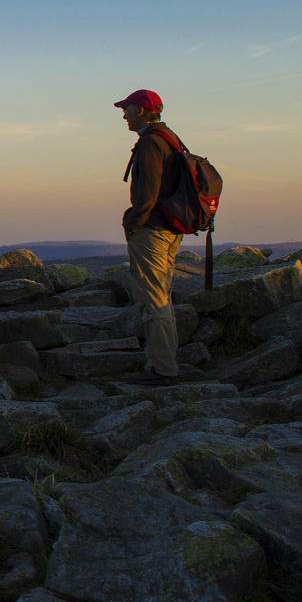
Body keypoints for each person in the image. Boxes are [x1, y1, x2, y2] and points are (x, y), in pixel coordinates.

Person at [116, 89, 183, 386]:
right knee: (162, 297)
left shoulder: (151, 143)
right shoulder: (170, 138)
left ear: (142, 110)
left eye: (127, 109)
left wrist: (133, 223)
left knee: (153, 299)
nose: (123, 114)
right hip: (170, 229)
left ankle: (162, 370)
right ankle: (165, 362)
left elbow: (147, 192)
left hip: (152, 230)